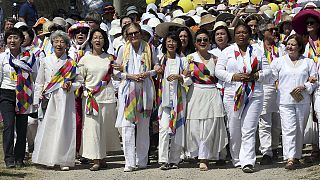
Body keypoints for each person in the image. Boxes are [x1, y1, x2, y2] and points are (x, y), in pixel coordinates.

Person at [215, 23, 271, 173]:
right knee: (234, 128)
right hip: (232, 93)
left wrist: (256, 75)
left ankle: (248, 161)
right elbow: (218, 71)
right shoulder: (227, 51)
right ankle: (237, 158)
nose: (241, 35)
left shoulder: (258, 51)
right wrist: (233, 76)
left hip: (254, 93)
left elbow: (268, 72)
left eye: (244, 32)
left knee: (249, 128)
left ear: (249, 34)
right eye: (238, 32)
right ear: (235, 35)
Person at [32, 30, 83, 171]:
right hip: (49, 99)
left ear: (67, 45)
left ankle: (63, 160)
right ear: (52, 43)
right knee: (48, 127)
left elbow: (80, 81)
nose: (59, 44)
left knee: (64, 128)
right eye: (56, 41)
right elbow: (39, 81)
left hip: (65, 99)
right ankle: (47, 158)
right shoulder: (45, 60)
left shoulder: (71, 63)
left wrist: (71, 85)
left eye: (62, 42)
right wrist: (37, 98)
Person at [270, 34, 317, 170]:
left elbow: (314, 82)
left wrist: (305, 86)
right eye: (288, 44)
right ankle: (290, 158)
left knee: (299, 129)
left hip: (303, 101)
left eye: (293, 44)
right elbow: (270, 77)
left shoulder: (308, 62)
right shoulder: (279, 62)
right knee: (288, 129)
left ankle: (296, 156)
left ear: (300, 47)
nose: (289, 47)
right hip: (285, 101)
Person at [115, 23, 156, 172]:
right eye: (130, 33)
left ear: (141, 33)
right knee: (127, 126)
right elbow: (116, 71)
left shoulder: (150, 48)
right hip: (128, 88)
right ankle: (129, 162)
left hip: (145, 87)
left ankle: (142, 160)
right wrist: (130, 76)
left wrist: (147, 74)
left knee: (144, 126)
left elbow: (156, 68)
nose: (133, 36)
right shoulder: (122, 49)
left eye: (136, 32)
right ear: (126, 35)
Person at [186, 29, 228, 171]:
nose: (202, 42)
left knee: (209, 126)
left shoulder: (216, 58)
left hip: (211, 93)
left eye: (205, 40)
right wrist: (185, 76)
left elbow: (221, 77)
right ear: (195, 43)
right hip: (195, 93)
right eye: (199, 40)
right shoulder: (190, 58)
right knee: (196, 128)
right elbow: (186, 80)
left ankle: (204, 158)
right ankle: (198, 154)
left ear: (210, 42)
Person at [79, 28, 120, 171]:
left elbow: (117, 75)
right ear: (91, 40)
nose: (98, 40)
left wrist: (121, 68)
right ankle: (95, 159)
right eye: (95, 37)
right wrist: (84, 90)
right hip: (91, 99)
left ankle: (102, 158)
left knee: (105, 129)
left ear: (105, 40)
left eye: (100, 37)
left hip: (107, 98)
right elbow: (79, 78)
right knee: (92, 129)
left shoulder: (110, 58)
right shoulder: (84, 58)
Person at [0, 27, 36, 168]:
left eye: (15, 37)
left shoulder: (29, 56)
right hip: (6, 93)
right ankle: (9, 159)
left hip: (24, 93)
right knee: (8, 125)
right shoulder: (3, 57)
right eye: (9, 38)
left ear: (21, 40)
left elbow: (35, 75)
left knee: (22, 127)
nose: (12, 40)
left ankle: (19, 158)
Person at [156, 32, 188, 170]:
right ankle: (163, 159)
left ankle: (175, 159)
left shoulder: (184, 60)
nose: (171, 44)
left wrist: (180, 77)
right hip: (164, 102)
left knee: (178, 129)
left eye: (174, 41)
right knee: (163, 128)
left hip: (179, 101)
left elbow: (189, 80)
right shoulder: (160, 60)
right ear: (165, 43)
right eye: (169, 41)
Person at [293, 9, 320, 159]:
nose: (309, 25)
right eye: (307, 23)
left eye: (312, 23)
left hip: (319, 84)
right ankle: (314, 147)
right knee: (309, 115)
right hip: (307, 84)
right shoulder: (303, 43)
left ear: (318, 25)